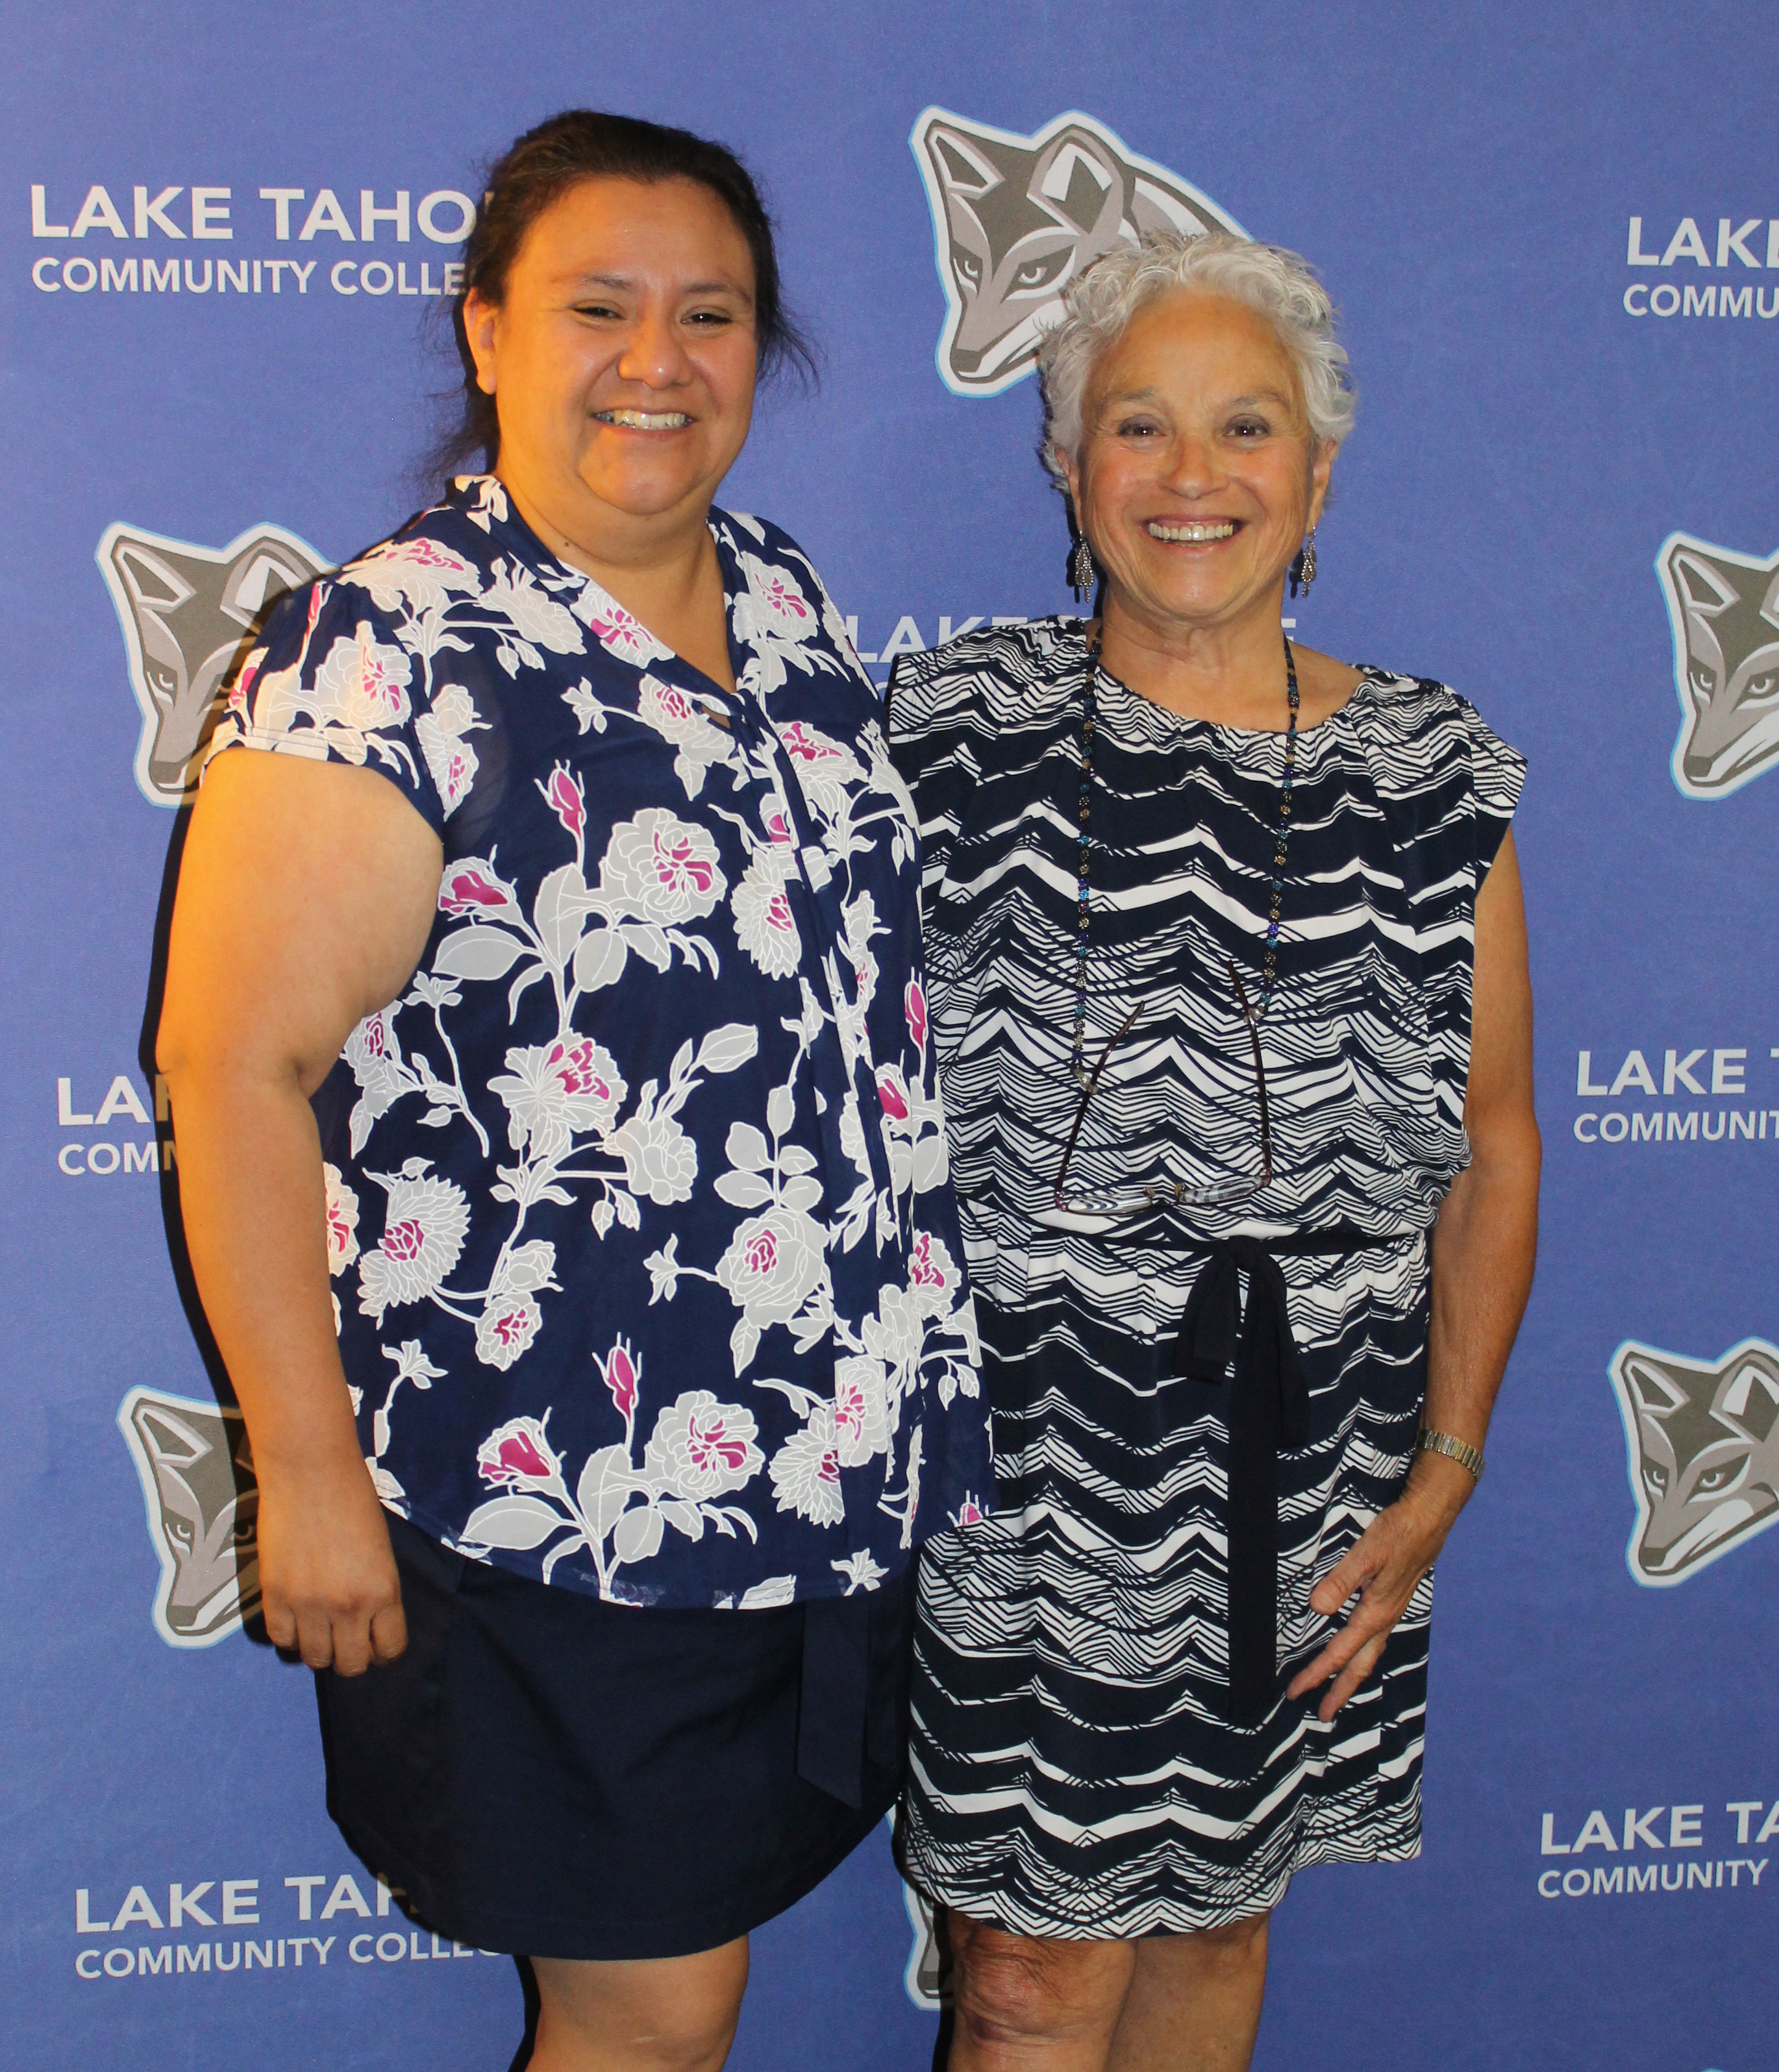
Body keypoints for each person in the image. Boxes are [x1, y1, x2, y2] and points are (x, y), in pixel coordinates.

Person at [156, 108, 988, 2072]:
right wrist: (304, 1474)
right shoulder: (390, 646)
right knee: (649, 2016)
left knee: (701, 1983)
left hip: (818, 1475)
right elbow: (233, 1066)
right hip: (555, 1498)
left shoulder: (777, 597)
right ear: (486, 332)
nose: (658, 358)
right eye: (597, 304)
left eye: (710, 314)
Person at [886, 230, 1539, 2071]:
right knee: (1021, 1983)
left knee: (1224, 1930)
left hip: (1309, 1458)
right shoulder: (947, 737)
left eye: (1243, 430)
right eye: (1137, 427)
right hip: (1020, 1467)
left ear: (1315, 476)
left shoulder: (1435, 772)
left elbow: (1488, 1149)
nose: (1192, 480)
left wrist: (1446, 1467)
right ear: (1067, 466)